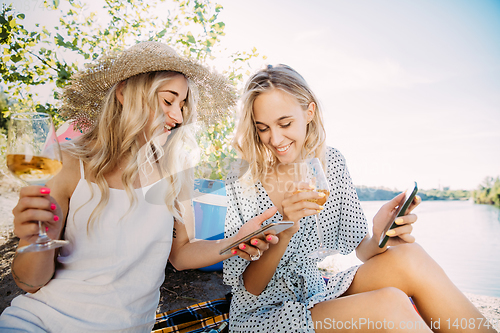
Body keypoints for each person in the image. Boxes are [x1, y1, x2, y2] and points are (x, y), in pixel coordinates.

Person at [0, 41, 276, 332]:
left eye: (182, 105)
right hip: (41, 324)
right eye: (168, 101)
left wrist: (233, 242)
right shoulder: (70, 163)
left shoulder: (175, 171)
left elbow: (181, 254)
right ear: (124, 93)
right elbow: (30, 283)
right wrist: (33, 240)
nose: (178, 117)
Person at [223, 64, 496, 332]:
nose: (275, 138)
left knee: (410, 256)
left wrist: (380, 234)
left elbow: (361, 249)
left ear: (309, 112)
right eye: (263, 128)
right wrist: (285, 227)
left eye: (285, 123)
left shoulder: (332, 163)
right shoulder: (243, 178)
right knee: (389, 305)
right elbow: (251, 287)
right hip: (261, 314)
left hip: (316, 295)